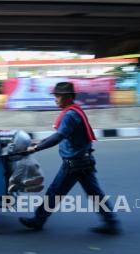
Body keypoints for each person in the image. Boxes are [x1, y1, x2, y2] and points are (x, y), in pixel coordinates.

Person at [19, 82, 120, 235]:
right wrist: (40, 142)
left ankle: (38, 220)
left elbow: (59, 136)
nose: (55, 99)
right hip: (84, 161)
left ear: (67, 97)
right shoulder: (76, 110)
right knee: (94, 193)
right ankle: (111, 221)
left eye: (58, 96)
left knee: (55, 191)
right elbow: (62, 135)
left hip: (74, 163)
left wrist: (36, 148)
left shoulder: (69, 115)